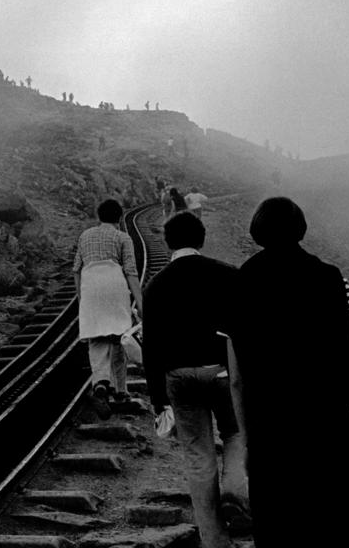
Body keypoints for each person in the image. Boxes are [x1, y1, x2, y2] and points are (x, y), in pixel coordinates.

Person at [220, 198, 349, 547]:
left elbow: (237, 379)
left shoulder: (238, 286)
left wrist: (248, 442)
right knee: (341, 530)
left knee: (282, 532)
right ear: (301, 228)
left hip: (272, 436)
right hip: (329, 430)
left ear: (257, 231)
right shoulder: (330, 278)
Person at [143, 213, 247, 548]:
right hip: (222, 370)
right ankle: (235, 489)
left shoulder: (155, 286)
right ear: (201, 239)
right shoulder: (227, 274)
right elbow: (245, 330)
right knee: (235, 433)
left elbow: (152, 347)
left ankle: (214, 540)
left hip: (178, 376)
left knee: (198, 455)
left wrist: (157, 397)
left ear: (167, 242)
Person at [72, 199, 143, 415]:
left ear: (98, 216)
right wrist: (141, 304)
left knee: (96, 338)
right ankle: (121, 390)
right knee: (118, 338)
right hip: (114, 285)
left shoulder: (85, 236)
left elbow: (76, 269)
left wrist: (81, 295)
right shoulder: (123, 237)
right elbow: (130, 271)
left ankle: (101, 382)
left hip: (91, 284)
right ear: (120, 218)